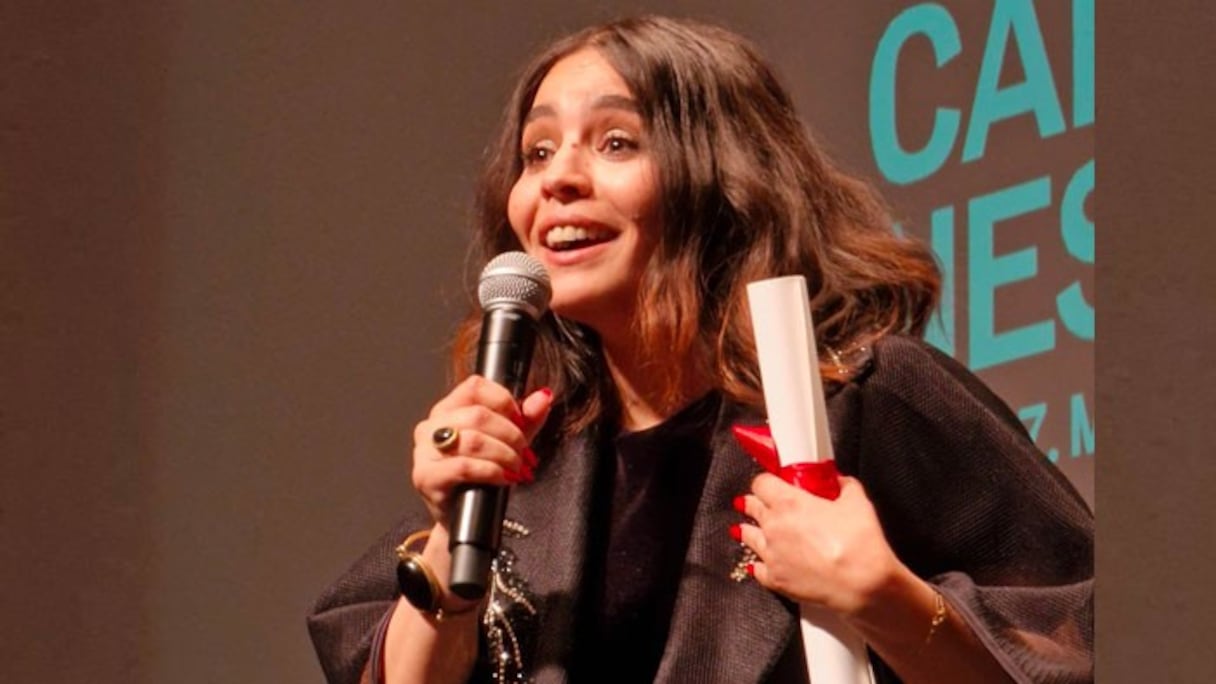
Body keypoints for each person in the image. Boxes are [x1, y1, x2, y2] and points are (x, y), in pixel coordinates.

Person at [308, 15, 1093, 684]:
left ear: (721, 177)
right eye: (538, 152)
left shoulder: (865, 389)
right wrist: (449, 541)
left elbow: (1078, 644)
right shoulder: (532, 459)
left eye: (616, 143)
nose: (557, 180)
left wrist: (884, 598)